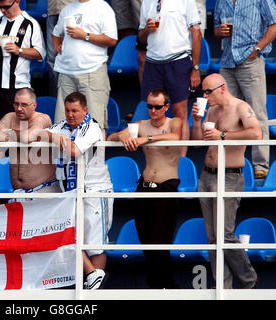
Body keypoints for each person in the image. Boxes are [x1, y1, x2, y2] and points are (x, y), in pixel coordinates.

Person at [107, 88, 182, 289]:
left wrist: (145, 139)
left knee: (160, 240)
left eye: (157, 107)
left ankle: (166, 286)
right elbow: (111, 137)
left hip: (166, 186)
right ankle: (155, 286)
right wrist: (123, 137)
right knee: (146, 239)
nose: (153, 110)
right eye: (149, 106)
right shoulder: (141, 125)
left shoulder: (174, 122)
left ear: (166, 106)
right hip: (145, 186)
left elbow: (176, 137)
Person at [191, 73, 260, 289]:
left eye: (208, 91)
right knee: (213, 238)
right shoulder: (210, 110)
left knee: (225, 234)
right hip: (207, 175)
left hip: (229, 175)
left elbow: (256, 133)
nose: (205, 95)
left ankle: (250, 283)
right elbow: (196, 144)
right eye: (203, 92)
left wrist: (222, 136)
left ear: (222, 88)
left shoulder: (241, 107)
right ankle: (223, 287)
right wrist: (195, 121)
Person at [43, 91, 113, 289]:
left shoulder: (92, 127)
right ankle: (91, 276)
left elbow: (74, 149)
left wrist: (50, 137)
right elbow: (40, 135)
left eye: (75, 110)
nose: (70, 115)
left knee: (95, 244)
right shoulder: (60, 127)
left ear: (85, 110)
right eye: (67, 110)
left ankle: (94, 291)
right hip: (70, 193)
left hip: (95, 191)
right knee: (68, 235)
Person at [213, 0, 276, 179]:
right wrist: (219, 31)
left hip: (250, 60)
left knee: (257, 112)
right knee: (226, 113)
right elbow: (216, 29)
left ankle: (260, 165)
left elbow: (274, 25)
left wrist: (257, 48)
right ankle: (228, 163)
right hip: (227, 61)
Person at [138, 0, 202, 156]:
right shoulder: (147, 2)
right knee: (154, 111)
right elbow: (141, 38)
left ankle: (181, 160)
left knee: (180, 112)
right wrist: (146, 29)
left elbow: (197, 34)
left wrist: (195, 68)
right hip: (153, 62)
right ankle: (158, 158)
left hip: (178, 60)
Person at [0, 0, 46, 132]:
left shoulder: (30, 23)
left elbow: (40, 53)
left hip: (16, 89)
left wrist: (19, 50)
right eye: (0, 7)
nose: (3, 11)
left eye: (6, 7)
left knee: (16, 133)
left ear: (17, 2)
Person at [52, 0, 117, 134]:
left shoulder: (102, 7)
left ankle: (96, 156)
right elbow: (56, 32)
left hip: (92, 71)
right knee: (62, 124)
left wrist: (85, 36)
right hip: (66, 72)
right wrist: (57, 45)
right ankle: (66, 156)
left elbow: (111, 39)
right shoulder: (67, 9)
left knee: (95, 124)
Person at [0, 88, 60, 198]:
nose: (19, 108)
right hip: (18, 191)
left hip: (43, 189)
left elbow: (28, 137)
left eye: (24, 105)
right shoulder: (10, 117)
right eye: (16, 104)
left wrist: (7, 133)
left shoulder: (42, 118)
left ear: (34, 105)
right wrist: (14, 135)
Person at [46, 0, 74, 97]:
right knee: (51, 59)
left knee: (70, 56)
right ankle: (55, 98)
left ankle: (71, 98)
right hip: (52, 11)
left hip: (71, 11)